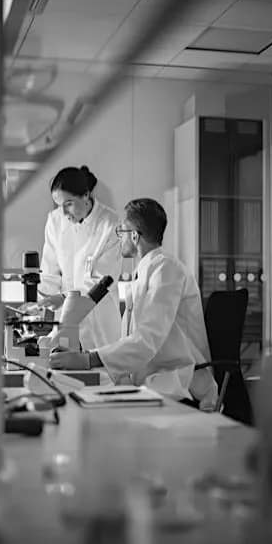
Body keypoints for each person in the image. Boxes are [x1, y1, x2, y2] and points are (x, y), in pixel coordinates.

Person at [49, 198, 218, 408]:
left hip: (179, 384)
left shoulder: (167, 270)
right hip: (152, 380)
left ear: (135, 236)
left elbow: (147, 339)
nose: (119, 237)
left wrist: (88, 359)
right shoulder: (145, 272)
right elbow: (135, 344)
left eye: (121, 231)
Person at [37, 165, 122, 351]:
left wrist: (63, 298)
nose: (64, 213)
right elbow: (49, 271)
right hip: (66, 321)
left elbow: (101, 282)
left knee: (99, 365)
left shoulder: (110, 224)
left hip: (99, 322)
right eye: (59, 205)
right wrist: (41, 302)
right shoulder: (55, 221)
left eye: (68, 204)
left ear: (86, 195)